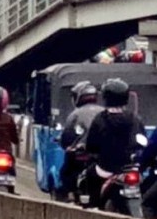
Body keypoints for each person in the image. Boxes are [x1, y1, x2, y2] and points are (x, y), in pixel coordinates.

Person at [83, 78, 146, 207]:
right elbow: (142, 139)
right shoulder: (134, 118)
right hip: (130, 167)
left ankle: (94, 207)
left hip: (106, 168)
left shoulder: (100, 119)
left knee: (90, 173)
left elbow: (91, 145)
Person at [58, 81, 103, 199]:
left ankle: (71, 195)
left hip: (84, 155)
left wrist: (68, 146)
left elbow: (67, 137)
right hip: (104, 155)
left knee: (65, 172)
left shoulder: (75, 114)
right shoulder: (104, 112)